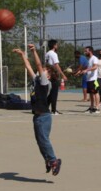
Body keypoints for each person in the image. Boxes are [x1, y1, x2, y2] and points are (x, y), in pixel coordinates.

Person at [13, 44, 62, 176]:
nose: (42, 70)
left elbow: (38, 65)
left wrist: (34, 51)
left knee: (44, 140)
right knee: (40, 141)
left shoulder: (46, 82)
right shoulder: (36, 80)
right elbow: (29, 67)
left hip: (44, 117)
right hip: (37, 116)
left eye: (46, 70)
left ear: (49, 75)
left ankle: (54, 160)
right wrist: (23, 55)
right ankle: (48, 160)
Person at [45, 39, 67, 115]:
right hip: (53, 76)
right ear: (54, 46)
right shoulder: (53, 54)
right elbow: (56, 65)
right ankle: (53, 110)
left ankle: (45, 109)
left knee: (49, 93)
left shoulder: (47, 54)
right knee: (54, 94)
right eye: (56, 45)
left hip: (48, 75)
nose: (57, 46)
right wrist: (63, 75)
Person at [78, 46, 99, 114]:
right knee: (91, 94)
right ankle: (92, 107)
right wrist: (81, 71)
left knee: (95, 93)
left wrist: (86, 70)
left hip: (94, 79)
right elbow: (88, 68)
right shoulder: (89, 59)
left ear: (90, 51)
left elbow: (95, 67)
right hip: (89, 79)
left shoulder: (94, 58)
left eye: (86, 51)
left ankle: (97, 108)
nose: (85, 52)